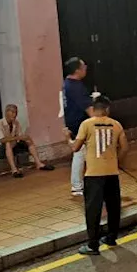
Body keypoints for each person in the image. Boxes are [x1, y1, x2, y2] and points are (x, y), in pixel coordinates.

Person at [71, 95, 128, 255]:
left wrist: (67, 138)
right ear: (107, 109)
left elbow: (75, 148)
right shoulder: (116, 125)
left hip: (93, 175)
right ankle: (111, 238)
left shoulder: (86, 125)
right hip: (112, 173)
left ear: (93, 108)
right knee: (113, 207)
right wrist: (118, 162)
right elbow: (124, 147)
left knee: (93, 210)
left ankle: (93, 245)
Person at [0, 104, 54, 178]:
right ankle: (14, 169)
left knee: (28, 140)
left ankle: (38, 163)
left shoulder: (16, 123)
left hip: (12, 147)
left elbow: (20, 136)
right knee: (7, 143)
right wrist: (17, 138)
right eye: (12, 112)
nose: (14, 115)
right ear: (7, 112)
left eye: (16, 113)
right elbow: (2, 140)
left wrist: (24, 138)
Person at [62, 57, 94, 198]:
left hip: (73, 122)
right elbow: (88, 108)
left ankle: (80, 185)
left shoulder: (67, 84)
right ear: (77, 70)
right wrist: (98, 121)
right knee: (80, 154)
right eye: (83, 66)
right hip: (80, 123)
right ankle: (77, 186)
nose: (86, 67)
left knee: (82, 154)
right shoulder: (75, 86)